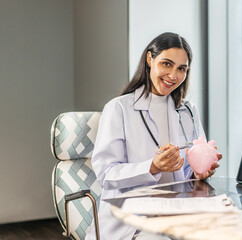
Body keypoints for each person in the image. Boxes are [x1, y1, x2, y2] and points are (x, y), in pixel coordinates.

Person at [86, 32, 222, 240]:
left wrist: (198, 173)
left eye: (181, 69)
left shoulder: (188, 111)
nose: (173, 75)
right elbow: (106, 175)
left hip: (176, 211)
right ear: (150, 59)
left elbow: (187, 170)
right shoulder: (118, 109)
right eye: (167, 64)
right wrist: (152, 167)